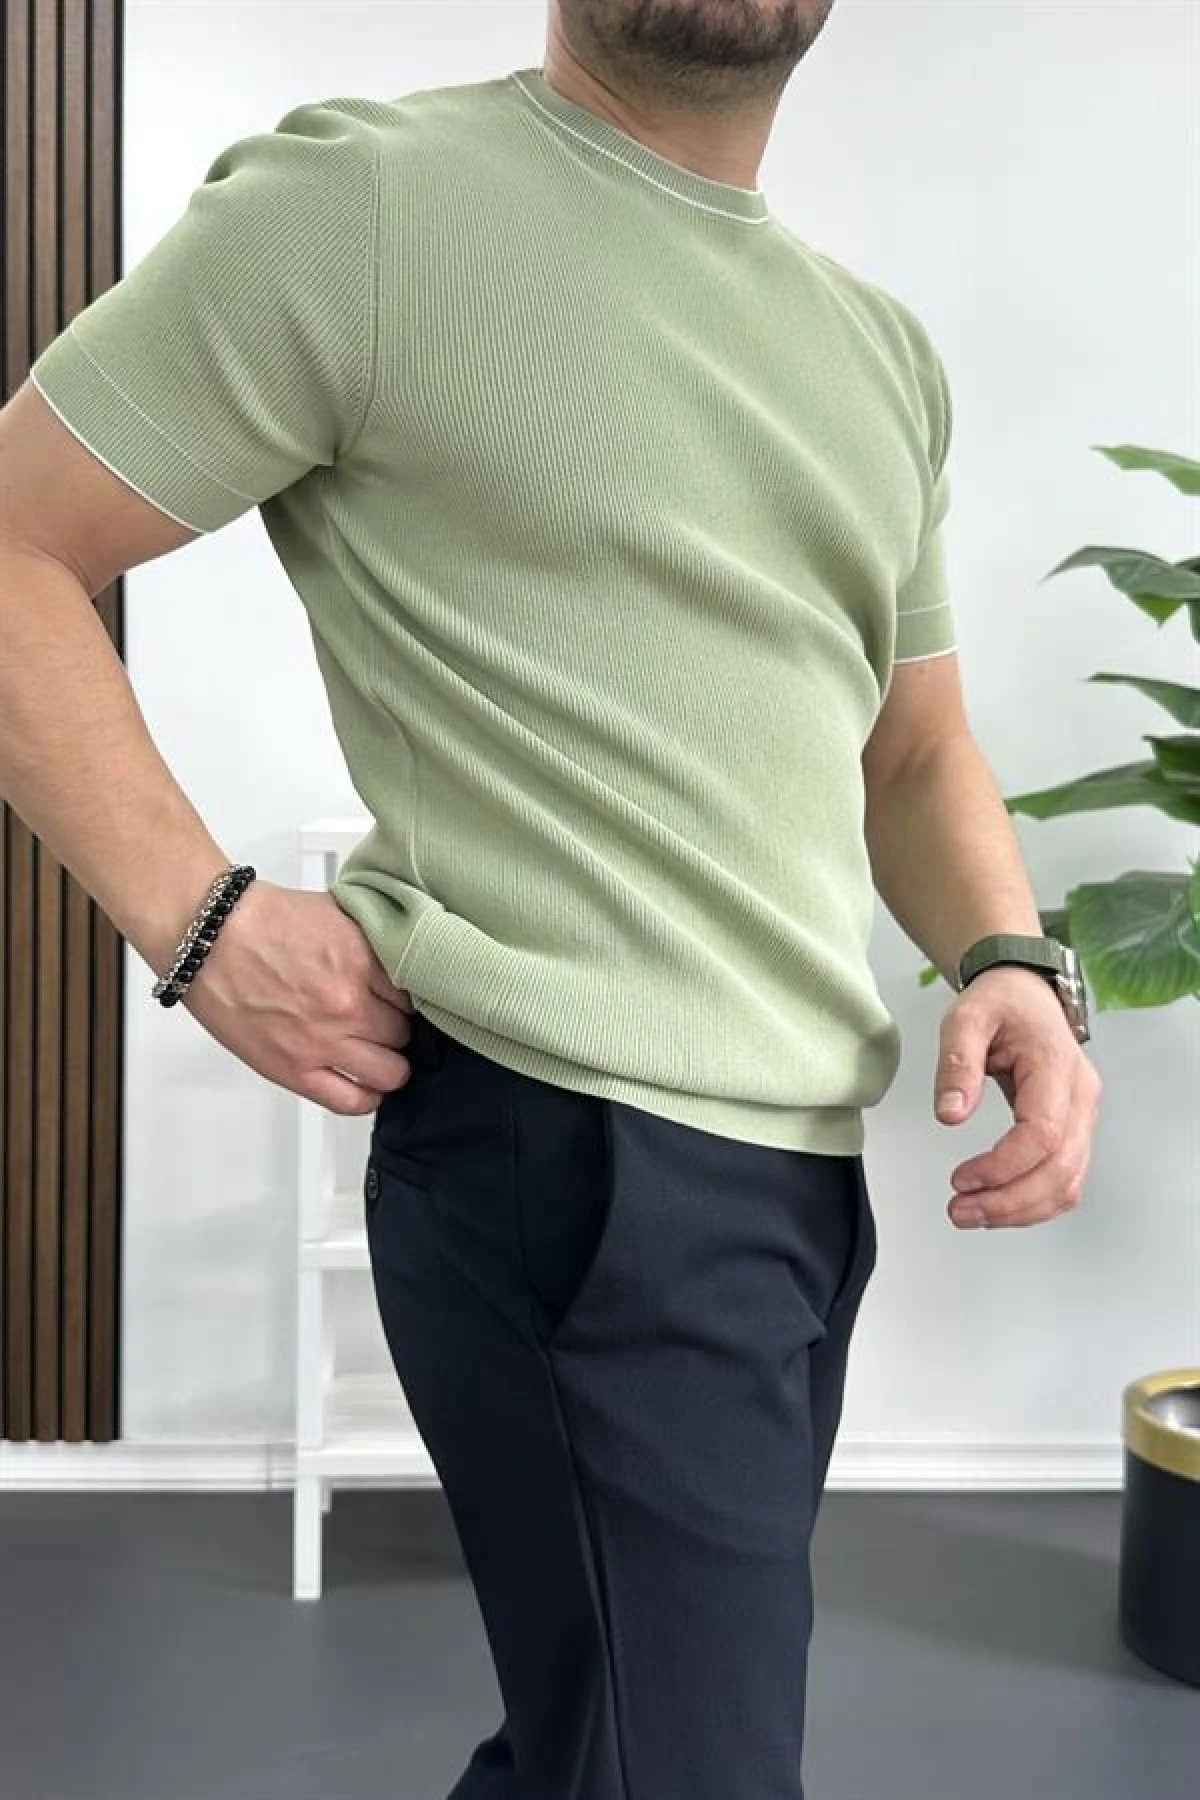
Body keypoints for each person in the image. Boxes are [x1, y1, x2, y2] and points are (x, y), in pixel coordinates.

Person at [0, 3, 1102, 1794]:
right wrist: (196, 923)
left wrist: (1012, 959)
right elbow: (12, 540)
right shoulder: (366, 206)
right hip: (573, 1145)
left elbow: (914, 750)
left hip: (796, 1175)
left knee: (607, 1751)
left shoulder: (878, 353)